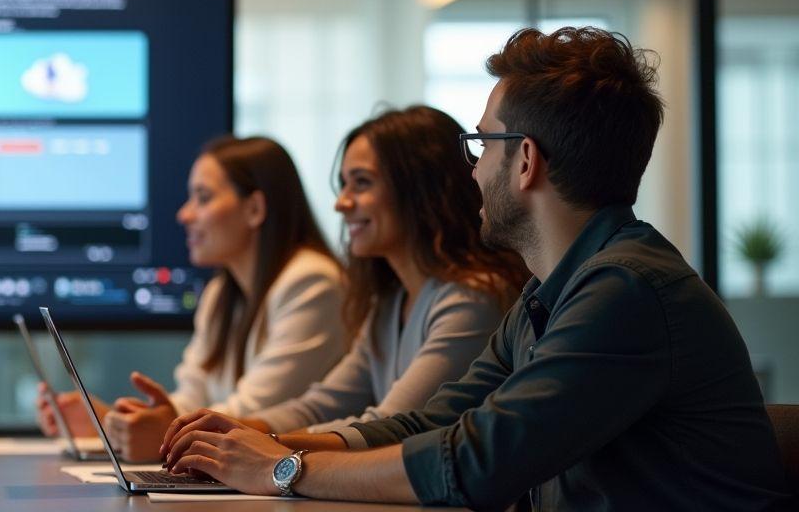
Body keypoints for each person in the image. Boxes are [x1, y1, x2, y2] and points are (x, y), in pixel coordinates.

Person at [160, 27, 790, 510]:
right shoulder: (551, 292)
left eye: (482, 143)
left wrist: (282, 471)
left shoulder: (624, 290)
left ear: (525, 163)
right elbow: (433, 421)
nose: (472, 170)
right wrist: (269, 449)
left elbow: (475, 462)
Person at [39, 136, 351, 461]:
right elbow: (191, 399)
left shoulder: (312, 282)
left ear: (255, 209)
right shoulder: (221, 294)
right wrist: (114, 421)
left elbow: (252, 410)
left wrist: (161, 431)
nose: (185, 215)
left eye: (203, 198)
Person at [231, 106, 528, 439]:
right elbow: (319, 406)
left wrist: (261, 444)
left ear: (420, 189)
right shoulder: (390, 302)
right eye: (344, 184)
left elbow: (392, 424)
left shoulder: (471, 298)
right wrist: (227, 431)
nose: (341, 203)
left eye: (361, 182)